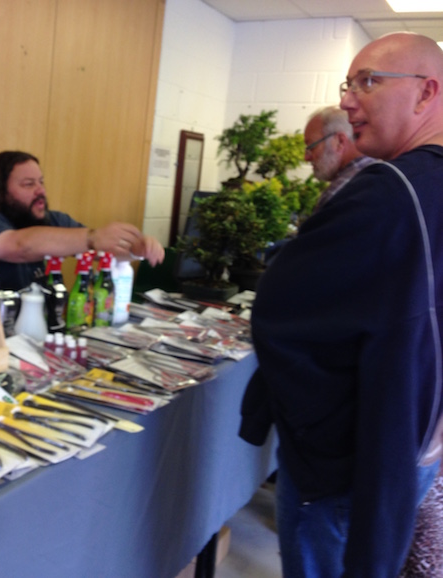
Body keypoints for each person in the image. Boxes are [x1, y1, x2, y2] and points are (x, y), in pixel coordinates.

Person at [239, 32, 443, 577]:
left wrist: (313, 435)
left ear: (426, 93)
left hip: (352, 460)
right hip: (416, 444)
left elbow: (281, 309)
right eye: (347, 85)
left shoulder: (389, 192)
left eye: (368, 82)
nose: (349, 102)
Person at [0, 151, 164, 290]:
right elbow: (20, 246)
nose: (40, 191)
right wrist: (92, 237)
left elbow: (102, 251)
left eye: (41, 182)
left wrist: (136, 250)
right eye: (29, 184)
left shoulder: (51, 220)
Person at [303, 105, 375, 212]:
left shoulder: (339, 193)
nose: (306, 157)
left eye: (311, 147)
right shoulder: (376, 173)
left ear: (340, 141)